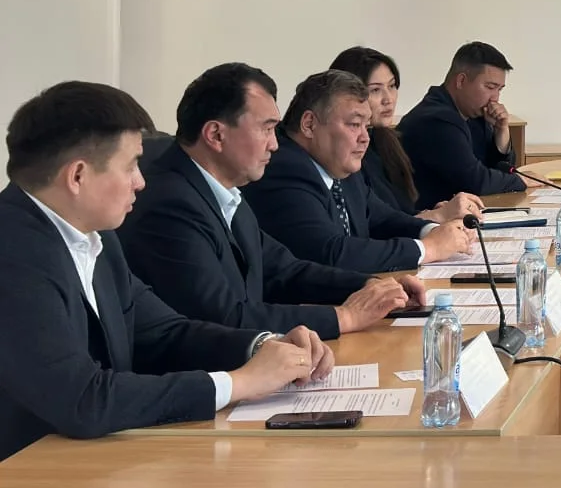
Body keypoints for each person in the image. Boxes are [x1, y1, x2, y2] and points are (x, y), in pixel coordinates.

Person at [0, 81, 332, 461]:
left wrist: (264, 346)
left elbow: (165, 333)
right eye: (131, 166)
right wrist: (238, 383)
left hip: (89, 462)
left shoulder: (96, 237)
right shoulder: (12, 252)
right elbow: (83, 400)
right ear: (78, 176)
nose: (141, 182)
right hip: (24, 477)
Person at [121, 63, 427, 342]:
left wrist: (370, 286)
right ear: (216, 134)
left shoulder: (224, 192)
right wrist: (344, 317)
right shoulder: (170, 204)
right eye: (266, 129)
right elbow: (223, 317)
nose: (275, 144)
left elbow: (284, 270)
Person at [246, 71, 476, 273]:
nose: (365, 138)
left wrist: (433, 231)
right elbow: (329, 253)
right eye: (354, 125)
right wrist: (428, 248)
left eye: (366, 126)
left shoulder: (339, 164)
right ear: (309, 124)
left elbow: (382, 219)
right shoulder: (282, 168)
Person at [328, 46, 482, 222]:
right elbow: (375, 224)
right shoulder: (348, 153)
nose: (388, 99)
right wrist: (434, 216)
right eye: (375, 90)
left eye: (392, 86)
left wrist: (435, 213)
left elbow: (399, 213)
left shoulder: (386, 140)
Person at [399, 42, 527, 210]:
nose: (495, 98)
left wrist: (501, 132)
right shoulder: (435, 120)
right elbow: (476, 182)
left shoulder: (474, 114)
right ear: (461, 81)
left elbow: (500, 171)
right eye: (490, 87)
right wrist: (520, 180)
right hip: (426, 218)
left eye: (499, 89)